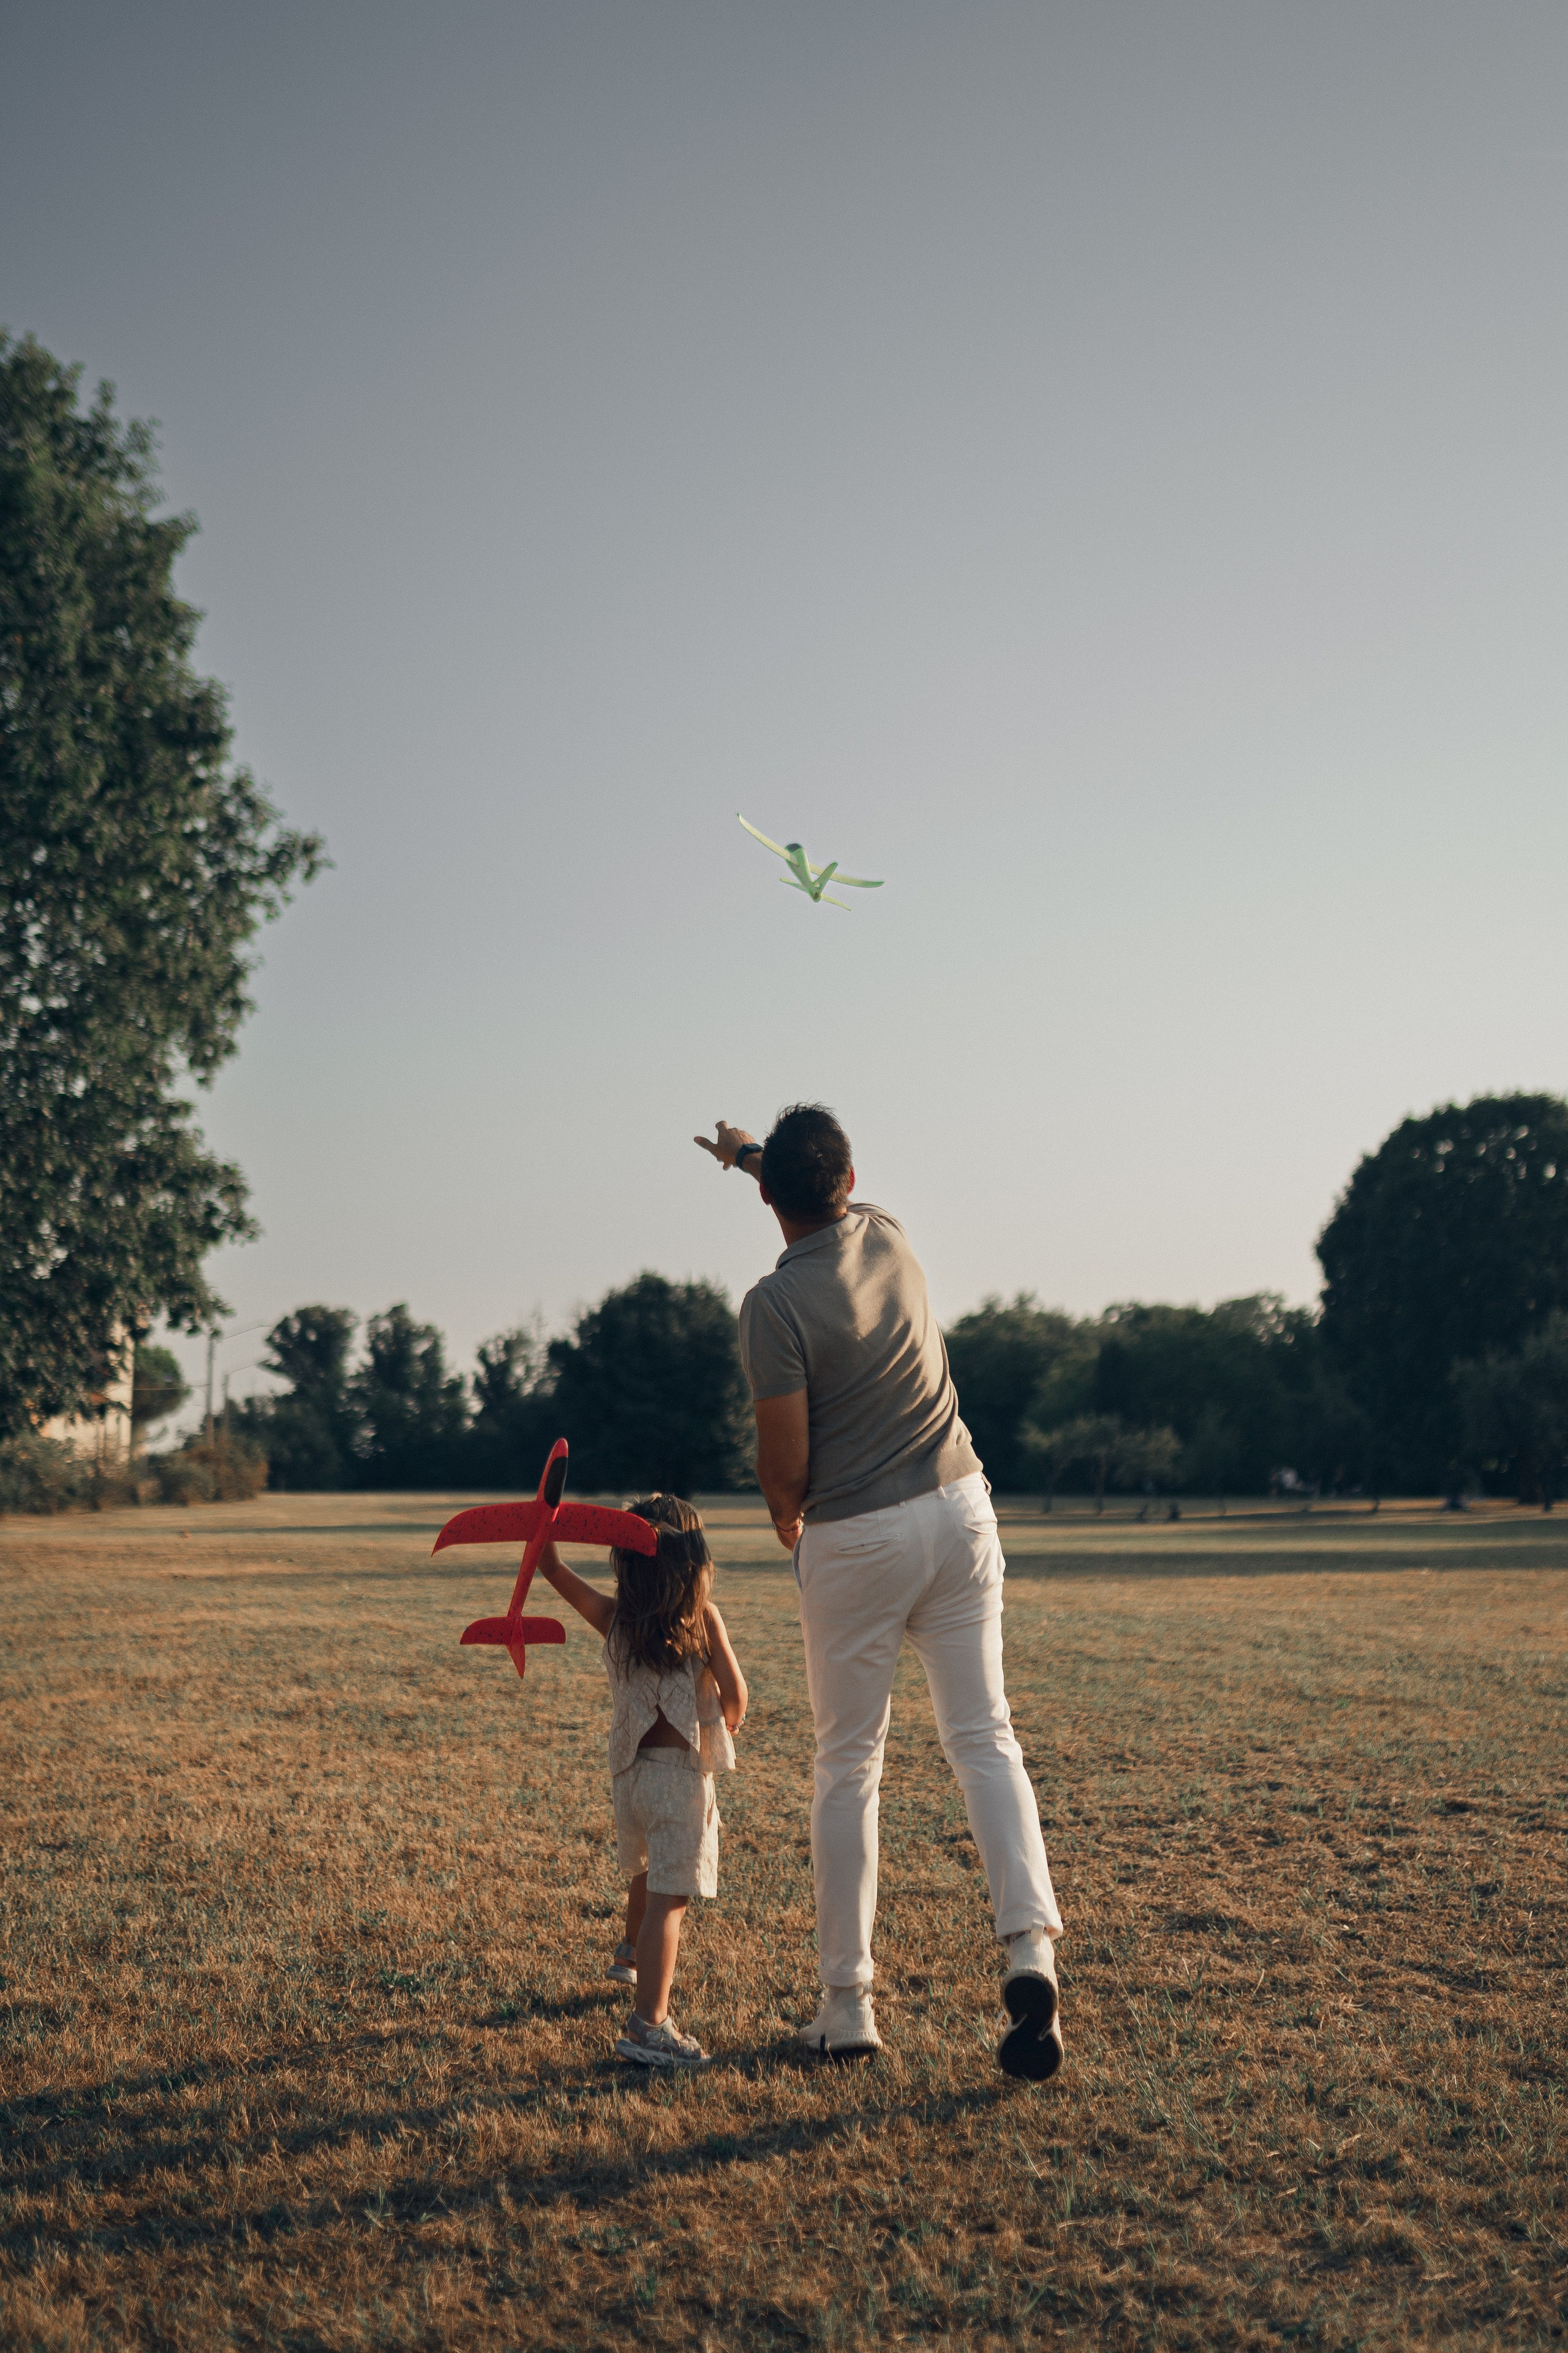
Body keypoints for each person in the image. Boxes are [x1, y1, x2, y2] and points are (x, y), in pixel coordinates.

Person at [695, 1105, 1063, 2080]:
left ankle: (847, 2006)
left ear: (771, 1197)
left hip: (855, 1533)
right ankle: (1031, 1948)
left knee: (848, 1764)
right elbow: (810, 1178)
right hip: (959, 1506)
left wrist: (786, 1520)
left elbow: (786, 1462)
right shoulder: (890, 1234)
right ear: (850, 1180)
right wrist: (751, 1158)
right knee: (984, 1736)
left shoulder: (771, 1307)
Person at [535, 1493, 748, 2071]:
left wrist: (543, 1528)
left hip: (629, 1779)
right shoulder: (703, 1620)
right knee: (669, 1902)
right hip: (679, 1783)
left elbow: (552, 1570)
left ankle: (629, 1952)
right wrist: (728, 1713)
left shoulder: (614, 1619)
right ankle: (648, 2024)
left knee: (649, 1871)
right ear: (694, 1563)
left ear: (625, 1564)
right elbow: (736, 1695)